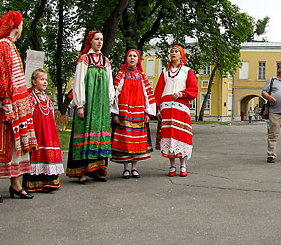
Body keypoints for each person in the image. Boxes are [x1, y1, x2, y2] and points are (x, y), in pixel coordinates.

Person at [0, 11, 38, 202]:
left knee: (15, 145)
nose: (22, 28)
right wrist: (6, 101)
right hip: (1, 105)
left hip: (14, 105)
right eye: (21, 24)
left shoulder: (10, 46)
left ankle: (15, 184)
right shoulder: (2, 46)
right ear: (16, 25)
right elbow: (1, 75)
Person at [66, 30, 115, 184]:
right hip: (88, 104)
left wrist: (109, 104)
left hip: (100, 106)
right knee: (85, 133)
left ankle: (98, 170)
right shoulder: (84, 60)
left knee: (100, 135)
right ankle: (82, 172)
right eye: (96, 39)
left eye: (101, 39)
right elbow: (79, 81)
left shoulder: (106, 61)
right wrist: (80, 104)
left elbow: (110, 84)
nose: (99, 42)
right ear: (90, 41)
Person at [111, 49, 157, 179]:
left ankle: (134, 168)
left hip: (138, 112)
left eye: (134, 56)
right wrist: (115, 113)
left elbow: (147, 94)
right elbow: (115, 94)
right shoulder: (121, 75)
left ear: (138, 60)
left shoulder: (142, 76)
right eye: (130, 56)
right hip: (124, 112)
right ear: (127, 59)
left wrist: (148, 112)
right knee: (126, 140)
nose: (132, 58)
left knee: (136, 141)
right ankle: (126, 168)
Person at [156, 45, 199, 176]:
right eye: (172, 52)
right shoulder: (165, 72)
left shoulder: (187, 71)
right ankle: (172, 165)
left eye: (176, 52)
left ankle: (183, 165)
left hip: (181, 107)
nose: (173, 53)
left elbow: (193, 89)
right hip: (167, 108)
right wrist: (158, 108)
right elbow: (158, 91)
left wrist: (181, 94)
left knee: (182, 135)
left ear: (181, 55)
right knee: (169, 137)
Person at [23, 69, 64, 192]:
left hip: (47, 131)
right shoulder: (30, 97)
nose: (45, 82)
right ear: (34, 82)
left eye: (45, 80)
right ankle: (33, 182)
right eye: (41, 79)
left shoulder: (46, 98)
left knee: (47, 153)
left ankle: (49, 180)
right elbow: (28, 114)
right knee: (36, 153)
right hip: (37, 130)